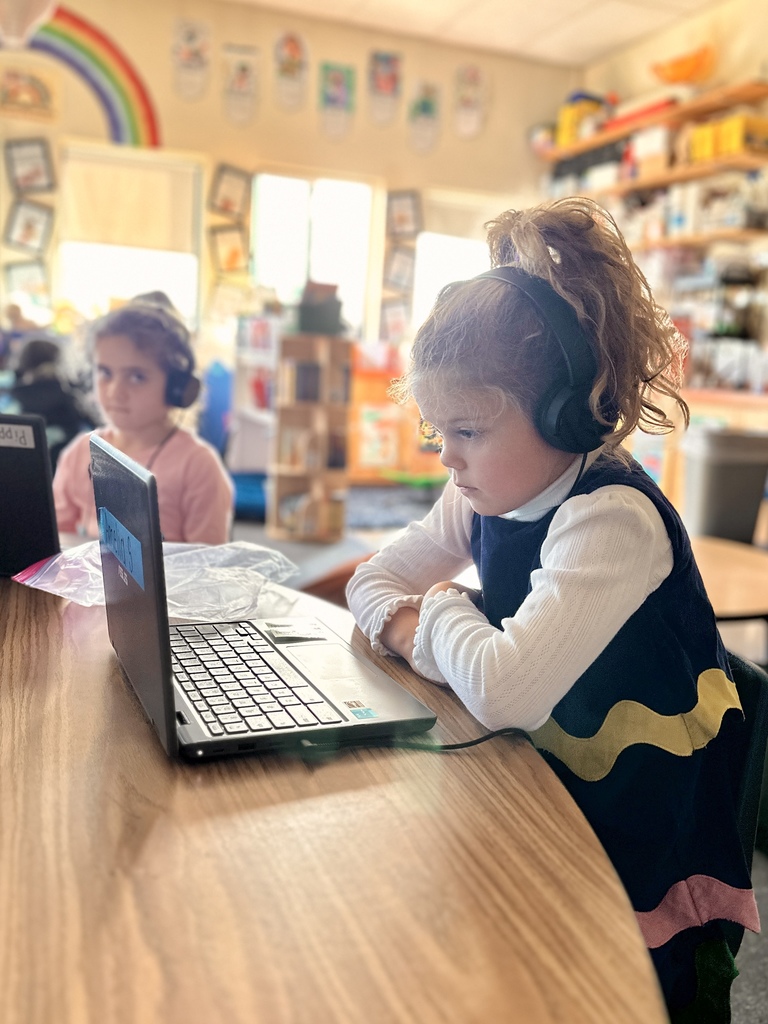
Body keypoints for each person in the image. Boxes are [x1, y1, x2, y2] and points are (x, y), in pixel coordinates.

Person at [346, 197, 760, 1022]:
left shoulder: (610, 518)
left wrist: (429, 611)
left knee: (620, 986)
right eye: (438, 433)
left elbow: (503, 690)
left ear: (571, 413)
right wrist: (420, 619)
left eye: (466, 430)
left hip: (636, 809)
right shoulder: (487, 491)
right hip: (547, 768)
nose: (448, 459)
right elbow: (370, 580)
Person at [53, 300, 233, 545]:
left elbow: (210, 566)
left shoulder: (198, 466)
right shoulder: (79, 453)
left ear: (175, 389)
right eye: (105, 372)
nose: (116, 391)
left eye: (137, 376)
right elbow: (56, 540)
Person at [10, 335, 96, 472]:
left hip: (18, 477)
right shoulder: (72, 397)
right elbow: (98, 434)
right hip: (69, 477)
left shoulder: (11, 400)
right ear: (60, 361)